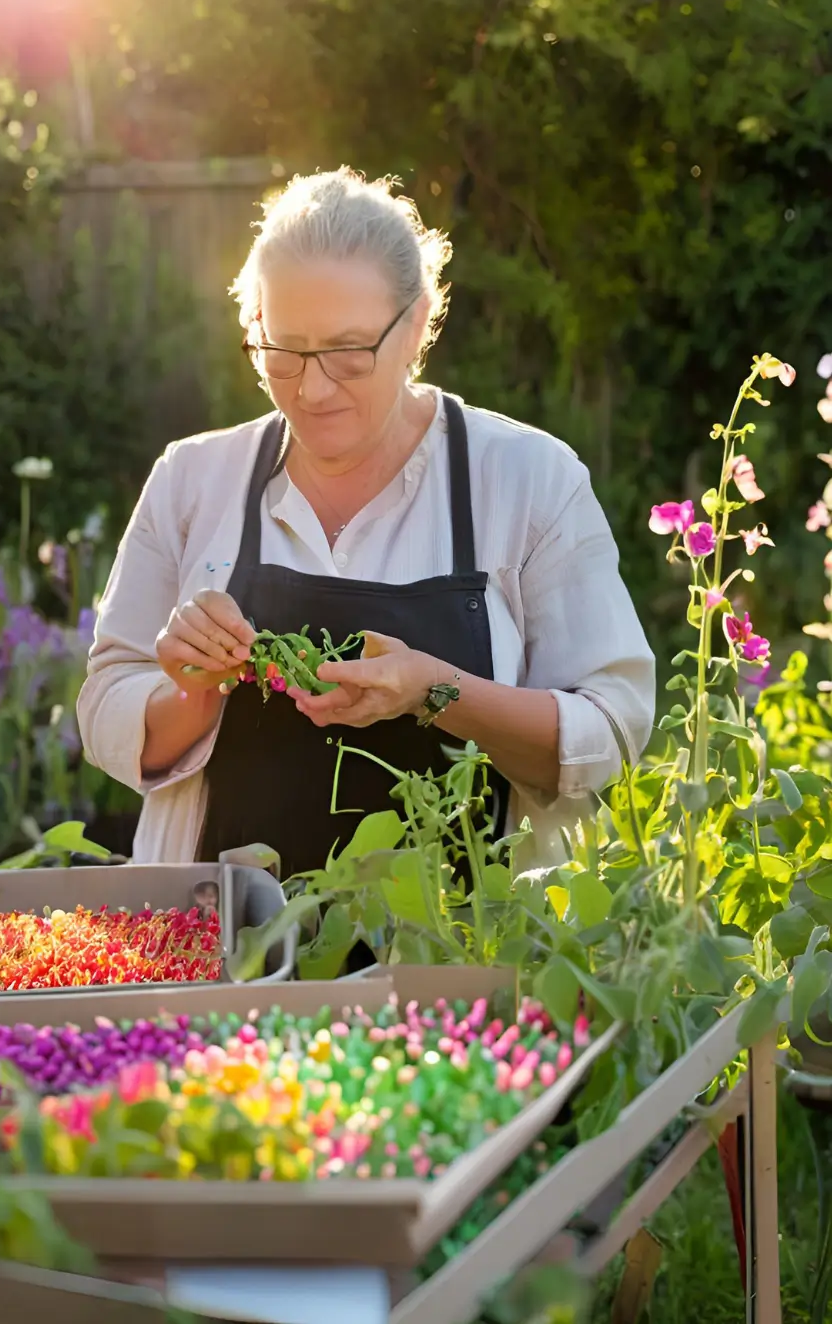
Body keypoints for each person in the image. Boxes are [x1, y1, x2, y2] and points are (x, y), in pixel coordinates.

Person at [78, 168, 655, 876]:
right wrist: (195, 691)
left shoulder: (529, 481)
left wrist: (435, 691)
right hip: (221, 955)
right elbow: (105, 710)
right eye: (283, 352)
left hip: (454, 959)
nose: (313, 389)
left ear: (414, 325)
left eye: (349, 354)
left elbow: (613, 733)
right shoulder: (193, 480)